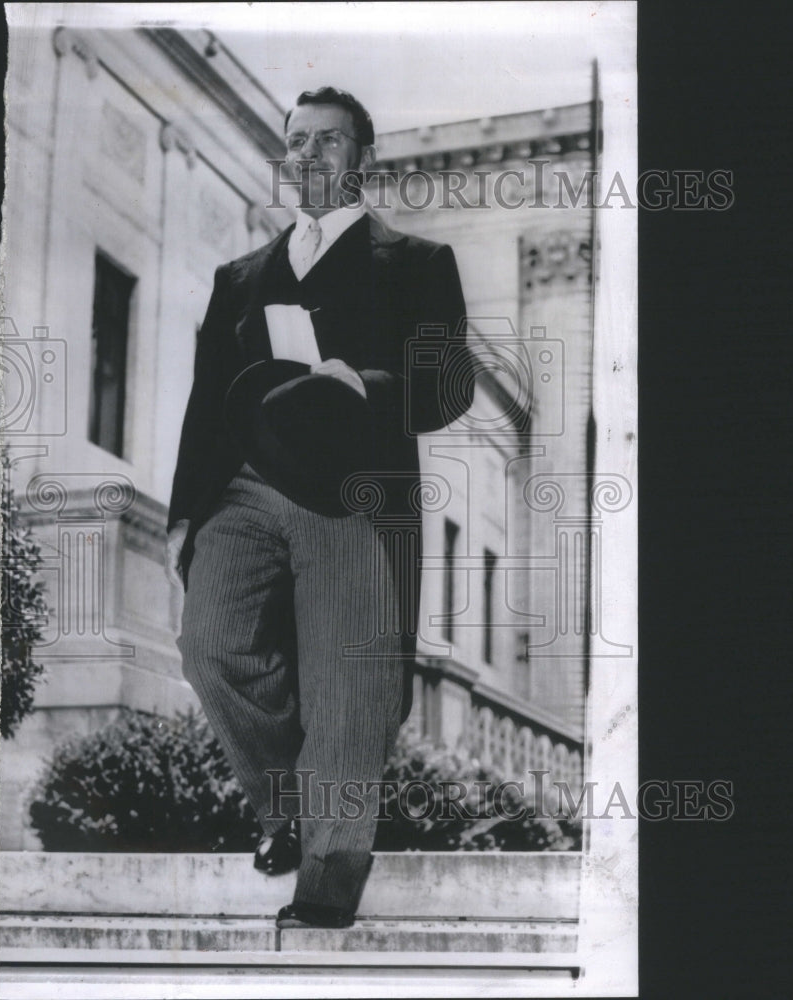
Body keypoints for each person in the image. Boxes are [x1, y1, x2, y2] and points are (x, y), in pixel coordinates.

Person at [165, 87, 474, 929]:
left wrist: (364, 384)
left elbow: (449, 384)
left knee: (347, 688)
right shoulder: (239, 278)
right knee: (209, 645)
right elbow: (204, 404)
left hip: (354, 496)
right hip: (246, 488)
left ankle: (328, 883)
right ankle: (287, 808)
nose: (306, 157)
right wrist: (185, 517)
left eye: (326, 143)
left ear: (362, 158)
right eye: (295, 142)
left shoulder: (413, 264)